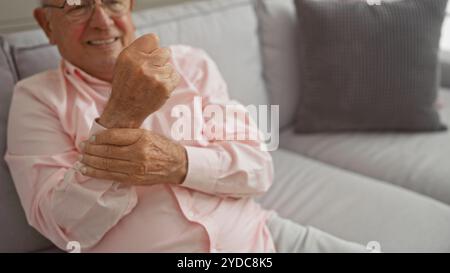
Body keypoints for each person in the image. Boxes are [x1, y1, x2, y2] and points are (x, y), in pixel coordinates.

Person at [4, 0, 368, 253]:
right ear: (46, 24)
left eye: (113, 1)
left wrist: (179, 162)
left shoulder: (190, 64)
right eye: (76, 5)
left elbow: (257, 169)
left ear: (129, 8)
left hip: (259, 238)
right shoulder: (37, 98)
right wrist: (120, 117)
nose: (101, 21)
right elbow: (68, 229)